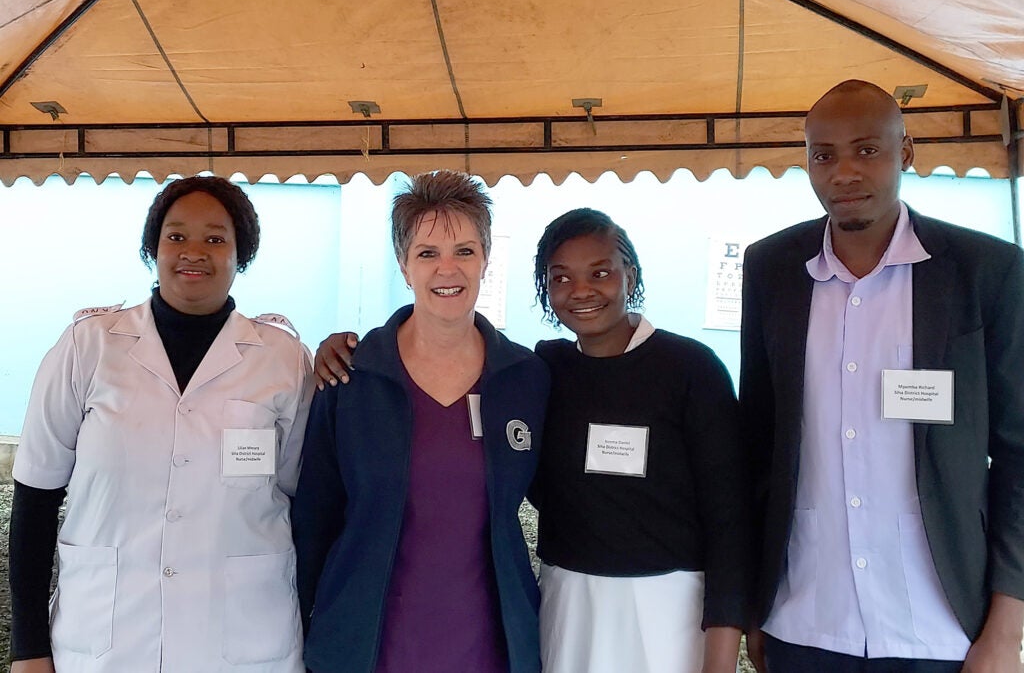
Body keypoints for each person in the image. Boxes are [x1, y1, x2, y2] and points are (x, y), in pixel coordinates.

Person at [315, 207, 752, 673]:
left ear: (631, 274)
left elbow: (729, 517)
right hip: (567, 600)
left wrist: (724, 647)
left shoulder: (689, 368)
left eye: (600, 272)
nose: (581, 290)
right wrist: (335, 347)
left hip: (668, 607)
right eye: (561, 278)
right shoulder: (545, 371)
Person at [740, 79, 1024, 673]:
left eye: (867, 149)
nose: (843, 171)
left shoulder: (985, 273)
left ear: (906, 152)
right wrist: (753, 607)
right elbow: (757, 445)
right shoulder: (771, 270)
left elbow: (1019, 455)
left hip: (942, 632)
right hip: (805, 621)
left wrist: (1006, 629)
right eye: (824, 155)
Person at [8, 176, 313, 673]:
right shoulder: (89, 346)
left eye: (216, 238)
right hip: (108, 639)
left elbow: (306, 500)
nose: (194, 252)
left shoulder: (283, 359)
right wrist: (28, 648)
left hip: (245, 637)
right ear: (154, 248)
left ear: (243, 254)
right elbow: (36, 498)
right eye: (176, 236)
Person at [291, 169, 551, 673]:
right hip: (370, 645)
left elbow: (563, 500)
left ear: (487, 258)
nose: (446, 270)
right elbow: (313, 521)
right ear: (404, 265)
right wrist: (300, 629)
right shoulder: (351, 376)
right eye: (427, 253)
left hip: (490, 646)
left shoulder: (525, 378)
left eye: (465, 251)